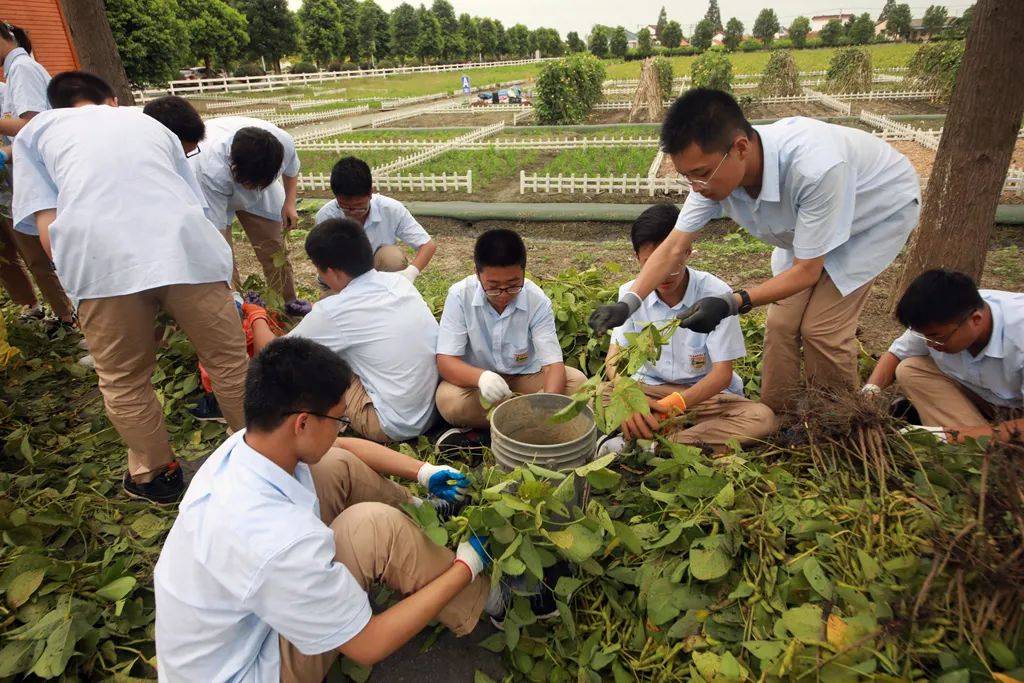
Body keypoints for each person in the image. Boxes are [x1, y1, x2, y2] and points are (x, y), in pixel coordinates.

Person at [155, 337, 544, 682]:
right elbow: (367, 645)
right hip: (248, 666)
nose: (343, 428)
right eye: (340, 419)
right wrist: (465, 567)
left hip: (238, 625)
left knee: (331, 466)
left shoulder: (250, 444)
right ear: (302, 423)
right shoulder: (277, 541)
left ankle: (422, 510)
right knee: (374, 529)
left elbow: (340, 450)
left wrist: (423, 472)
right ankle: (490, 598)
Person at [589, 89, 921, 415]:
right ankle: (778, 415)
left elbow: (807, 271)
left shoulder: (815, 167)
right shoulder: (711, 178)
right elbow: (674, 246)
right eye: (687, 176)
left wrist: (733, 302)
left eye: (701, 173)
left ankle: (835, 418)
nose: (696, 186)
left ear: (741, 148)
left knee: (821, 329)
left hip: (872, 217)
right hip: (808, 224)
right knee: (781, 323)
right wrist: (628, 302)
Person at [12, 71, 249, 504]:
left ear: (54, 106)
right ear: (112, 100)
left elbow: (46, 225)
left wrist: (78, 282)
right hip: (186, 250)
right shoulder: (149, 122)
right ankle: (256, 459)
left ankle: (157, 475)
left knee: (124, 378)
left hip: (101, 262)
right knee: (228, 361)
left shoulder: (37, 131)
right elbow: (190, 201)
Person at [599, 204, 776, 454]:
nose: (664, 274)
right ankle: (673, 438)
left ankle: (655, 445)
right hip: (648, 392)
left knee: (761, 418)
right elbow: (614, 359)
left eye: (672, 262)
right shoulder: (629, 295)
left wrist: (675, 404)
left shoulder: (715, 294)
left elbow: (722, 375)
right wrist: (631, 399)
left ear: (688, 250)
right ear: (637, 258)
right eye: (652, 263)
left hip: (703, 397)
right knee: (600, 394)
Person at [247, 218, 441, 443]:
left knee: (313, 364)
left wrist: (256, 314)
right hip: (434, 407)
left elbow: (271, 353)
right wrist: (314, 309)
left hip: (395, 424)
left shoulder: (332, 313)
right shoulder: (399, 282)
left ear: (331, 272)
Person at [434, 229, 587, 447]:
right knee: (448, 400)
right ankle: (529, 424)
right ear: (477, 273)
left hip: (525, 377)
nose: (504, 294)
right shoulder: (460, 295)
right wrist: (482, 378)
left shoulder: (537, 301)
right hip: (477, 385)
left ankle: (501, 426)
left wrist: (545, 402)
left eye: (514, 285)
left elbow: (553, 365)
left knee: (578, 383)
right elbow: (446, 362)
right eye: (494, 288)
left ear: (524, 271)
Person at [864, 269, 1023, 443]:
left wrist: (953, 436)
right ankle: (975, 441)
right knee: (910, 369)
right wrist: (869, 392)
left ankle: (976, 444)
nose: (930, 344)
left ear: (976, 320)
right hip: (986, 398)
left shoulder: (1018, 334)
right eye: (924, 337)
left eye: (937, 337)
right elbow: (897, 353)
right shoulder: (941, 311)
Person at [188, 113, 310, 317]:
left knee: (274, 246)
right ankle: (235, 304)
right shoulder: (212, 169)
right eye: (248, 184)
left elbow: (292, 169)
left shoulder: (281, 145)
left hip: (257, 176)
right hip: (214, 192)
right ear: (234, 168)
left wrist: (289, 203)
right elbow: (218, 234)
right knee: (223, 252)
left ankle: (287, 301)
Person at [0, 21, 74, 325]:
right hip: (22, 180)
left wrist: (5, 150)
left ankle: (77, 319)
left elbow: (34, 125)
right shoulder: (16, 69)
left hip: (37, 180)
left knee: (51, 252)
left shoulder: (21, 69)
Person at [315, 156, 436, 281]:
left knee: (392, 258)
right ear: (336, 197)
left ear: (370, 193)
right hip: (342, 277)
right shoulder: (326, 217)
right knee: (328, 298)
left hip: (378, 272)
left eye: (359, 207)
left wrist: (411, 273)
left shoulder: (390, 209)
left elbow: (427, 245)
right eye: (345, 207)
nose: (353, 213)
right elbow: (324, 264)